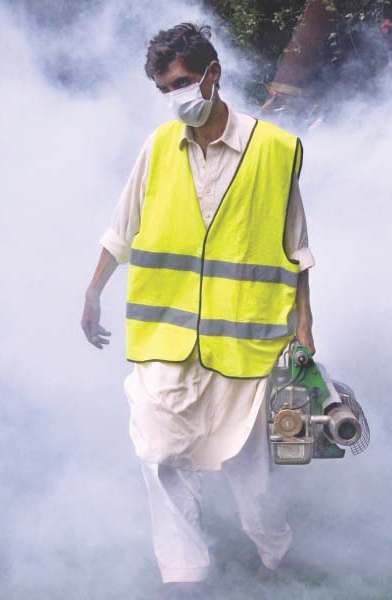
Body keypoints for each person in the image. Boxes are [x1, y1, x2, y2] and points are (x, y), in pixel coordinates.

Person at [80, 22, 315, 596]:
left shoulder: (276, 152)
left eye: (181, 83)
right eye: (164, 89)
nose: (175, 98)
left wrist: (305, 330)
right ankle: (186, 575)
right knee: (161, 455)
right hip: (167, 340)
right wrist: (92, 291)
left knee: (248, 469)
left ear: (213, 74)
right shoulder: (158, 147)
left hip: (244, 344)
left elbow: (298, 249)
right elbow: (123, 227)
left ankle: (273, 548)